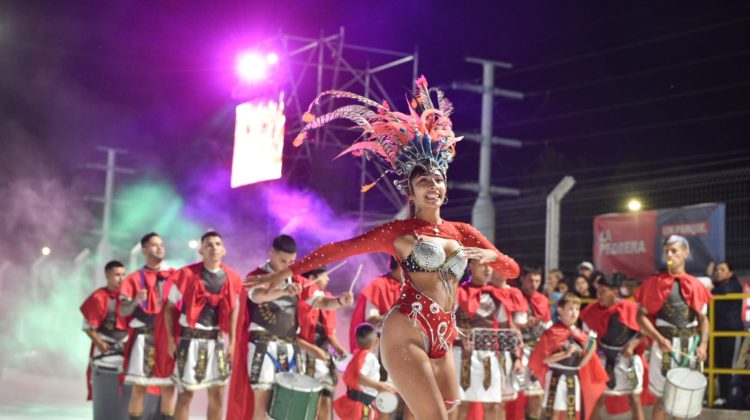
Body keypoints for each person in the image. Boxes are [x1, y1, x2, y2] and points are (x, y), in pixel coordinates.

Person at [246, 76, 520, 419]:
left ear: (445, 188)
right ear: (410, 191)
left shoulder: (463, 232)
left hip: (443, 336)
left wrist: (495, 257)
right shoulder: (398, 232)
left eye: (438, 179)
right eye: (423, 180)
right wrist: (283, 274)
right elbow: (338, 250)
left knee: (450, 408)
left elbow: (512, 271)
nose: (432, 185)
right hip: (407, 330)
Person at [226, 234, 354, 420]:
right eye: (283, 260)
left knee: (286, 402)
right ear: (271, 253)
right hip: (263, 346)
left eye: (292, 262)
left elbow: (322, 302)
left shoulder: (297, 280)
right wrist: (282, 290)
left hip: (288, 347)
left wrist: (340, 301)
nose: (287, 266)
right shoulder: (257, 276)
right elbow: (259, 295)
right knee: (262, 400)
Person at [163, 231, 243, 420]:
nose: (213, 247)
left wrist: (232, 342)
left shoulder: (232, 277)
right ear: (201, 250)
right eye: (208, 244)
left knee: (217, 394)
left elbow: (233, 311)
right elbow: (169, 308)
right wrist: (170, 339)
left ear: (223, 250)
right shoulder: (185, 275)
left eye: (217, 244)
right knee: (186, 394)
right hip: (189, 340)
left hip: (216, 341)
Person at [634, 235, 711, 420]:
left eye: (674, 250)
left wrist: (704, 345)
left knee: (683, 401)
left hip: (690, 347)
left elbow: (704, 320)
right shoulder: (654, 283)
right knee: (662, 400)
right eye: (667, 250)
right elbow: (640, 317)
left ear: (685, 253)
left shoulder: (696, 284)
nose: (669, 254)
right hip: (664, 346)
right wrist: (659, 339)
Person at [451, 260, 524, 420]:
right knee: (461, 404)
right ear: (470, 267)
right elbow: (444, 323)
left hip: (489, 357)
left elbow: (506, 329)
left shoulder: (497, 295)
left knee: (493, 404)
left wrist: (516, 358)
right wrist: (459, 334)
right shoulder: (457, 292)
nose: (487, 269)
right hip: (462, 355)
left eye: (490, 265)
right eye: (482, 265)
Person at [119, 232, 177, 419]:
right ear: (144, 250)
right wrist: (136, 300)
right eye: (154, 245)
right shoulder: (133, 279)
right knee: (140, 388)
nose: (160, 248)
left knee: (169, 387)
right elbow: (123, 311)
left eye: (161, 244)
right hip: (145, 337)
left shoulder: (174, 276)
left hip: (167, 338)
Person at [529, 293, 607, 420]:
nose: (574, 313)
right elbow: (545, 359)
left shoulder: (580, 334)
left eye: (577, 309)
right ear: (560, 310)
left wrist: (592, 349)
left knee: (570, 414)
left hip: (573, 376)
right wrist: (565, 354)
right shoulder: (553, 332)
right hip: (556, 377)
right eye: (570, 308)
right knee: (552, 413)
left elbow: (581, 363)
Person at [581, 274, 646, 420]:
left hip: (627, 359)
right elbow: (589, 338)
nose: (599, 295)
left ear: (615, 292)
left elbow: (643, 333)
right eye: (598, 291)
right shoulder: (591, 311)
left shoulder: (630, 308)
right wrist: (594, 351)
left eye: (603, 291)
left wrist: (632, 346)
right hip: (603, 360)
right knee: (597, 400)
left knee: (634, 400)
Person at [80, 260, 130, 420]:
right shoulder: (98, 297)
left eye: (123, 275)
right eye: (117, 275)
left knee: (128, 391)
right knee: (104, 389)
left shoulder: (128, 297)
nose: (121, 279)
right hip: (104, 348)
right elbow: (87, 326)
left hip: (125, 348)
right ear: (107, 275)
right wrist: (99, 343)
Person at [298, 266, 349, 420]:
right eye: (325, 276)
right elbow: (293, 335)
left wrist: (340, 350)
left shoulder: (328, 298)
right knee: (307, 405)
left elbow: (330, 333)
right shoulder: (300, 300)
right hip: (305, 357)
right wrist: (313, 350)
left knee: (326, 402)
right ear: (312, 278)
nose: (328, 279)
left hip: (324, 358)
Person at [334, 323, 398, 420]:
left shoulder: (358, 356)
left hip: (355, 402)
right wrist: (378, 386)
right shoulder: (369, 357)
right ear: (377, 341)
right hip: (360, 406)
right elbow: (359, 378)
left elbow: (365, 378)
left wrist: (382, 385)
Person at [518, 265, 551, 419]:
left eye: (537, 281)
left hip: (538, 352)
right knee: (516, 397)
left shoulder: (543, 299)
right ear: (522, 279)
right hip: (518, 351)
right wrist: (522, 324)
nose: (534, 284)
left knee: (536, 395)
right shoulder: (514, 296)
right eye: (530, 280)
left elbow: (548, 326)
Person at [349, 257, 403, 351]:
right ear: (400, 263)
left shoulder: (411, 287)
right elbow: (371, 320)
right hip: (382, 348)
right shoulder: (378, 286)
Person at [711, 261, 744, 406]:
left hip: (732, 333)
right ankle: (724, 396)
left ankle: (734, 397)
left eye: (723, 269)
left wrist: (710, 286)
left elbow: (721, 292)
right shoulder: (717, 288)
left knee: (732, 367)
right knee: (720, 366)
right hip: (716, 333)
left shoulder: (735, 285)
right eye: (717, 270)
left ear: (731, 273)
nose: (719, 272)